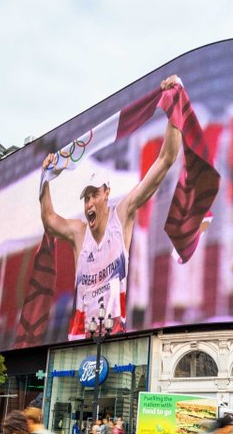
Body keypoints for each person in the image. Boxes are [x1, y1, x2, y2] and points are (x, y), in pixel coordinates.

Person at [39, 75, 184, 341]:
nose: (89, 203)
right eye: (85, 199)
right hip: (79, 335)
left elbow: (165, 160)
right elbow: (49, 219)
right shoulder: (79, 233)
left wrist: (175, 105)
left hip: (115, 332)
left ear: (106, 194)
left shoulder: (122, 214)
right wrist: (44, 180)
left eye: (94, 196)